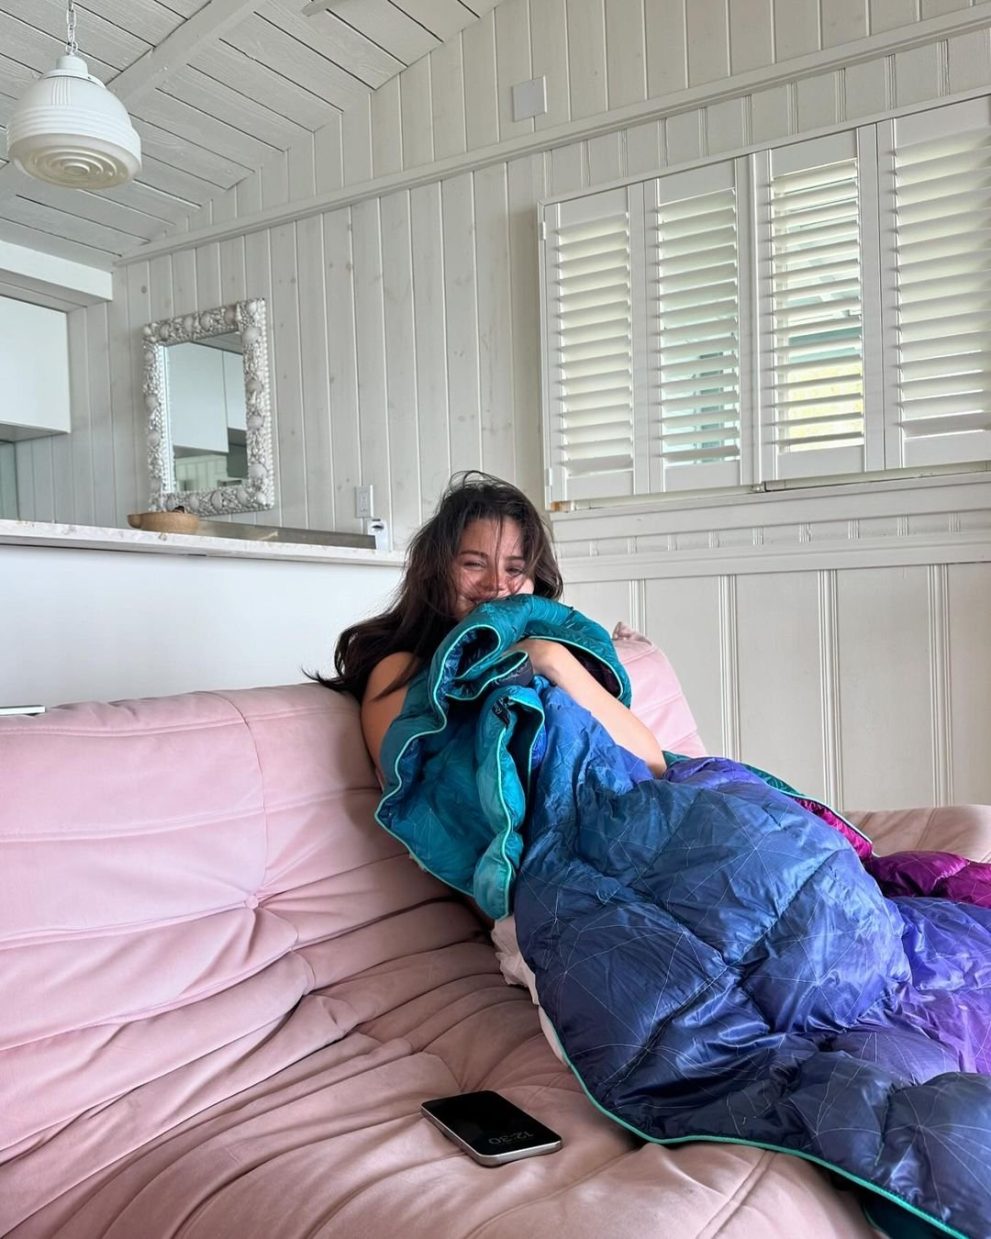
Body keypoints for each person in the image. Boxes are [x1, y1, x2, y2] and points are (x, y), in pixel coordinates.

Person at [318, 471, 666, 780]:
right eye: (474, 564)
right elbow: (426, 794)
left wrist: (549, 657)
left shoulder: (549, 651)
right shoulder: (399, 670)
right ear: (435, 572)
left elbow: (652, 763)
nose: (497, 584)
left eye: (514, 569)